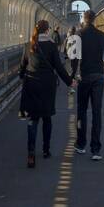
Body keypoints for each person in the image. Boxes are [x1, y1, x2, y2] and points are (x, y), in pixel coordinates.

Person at [18, 19, 75, 168]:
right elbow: (59, 67)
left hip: (31, 85)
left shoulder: (28, 45)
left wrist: (21, 76)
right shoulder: (51, 46)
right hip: (47, 87)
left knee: (33, 119)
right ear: (47, 30)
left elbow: (23, 66)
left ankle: (31, 152)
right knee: (47, 118)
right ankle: (46, 150)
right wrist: (70, 82)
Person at [74, 10, 104, 161]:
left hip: (84, 77)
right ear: (95, 19)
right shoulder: (101, 35)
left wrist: (72, 76)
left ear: (83, 19)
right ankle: (96, 149)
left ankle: (80, 144)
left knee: (82, 111)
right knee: (97, 112)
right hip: (98, 77)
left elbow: (72, 58)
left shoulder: (78, 34)